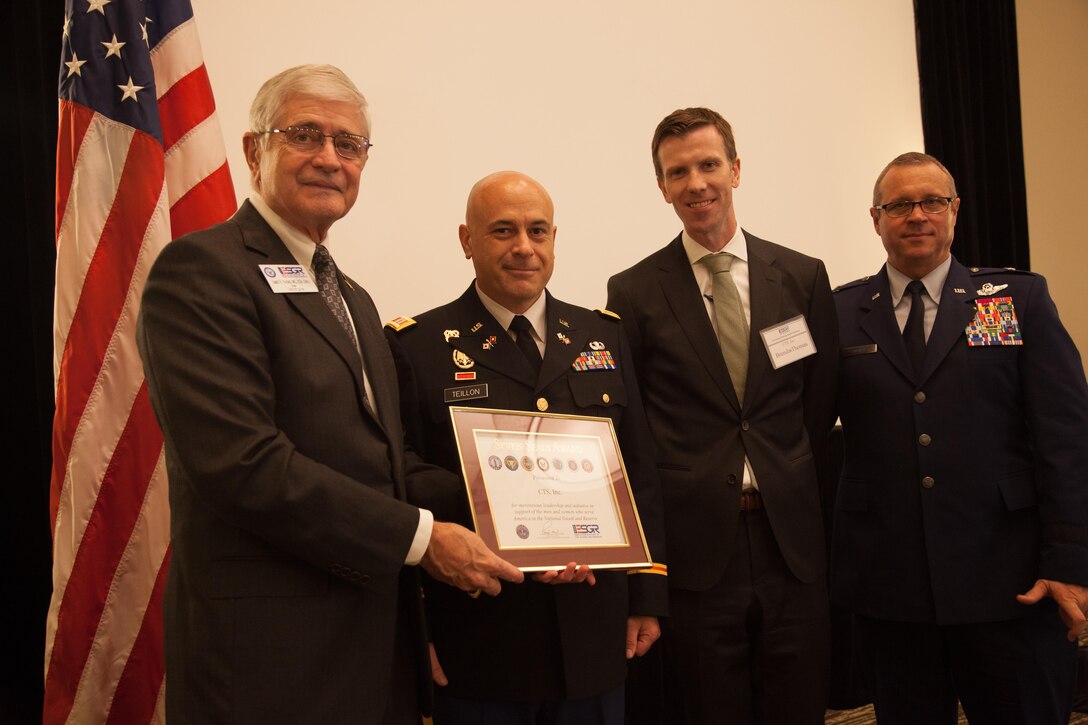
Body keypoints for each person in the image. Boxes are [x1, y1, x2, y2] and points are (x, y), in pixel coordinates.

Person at [136, 64, 522, 725]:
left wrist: (520, 513)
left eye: (349, 144)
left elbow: (386, 465)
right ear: (255, 150)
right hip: (271, 667)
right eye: (304, 135)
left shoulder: (354, 299)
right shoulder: (203, 270)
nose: (329, 158)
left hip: (374, 650)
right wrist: (425, 538)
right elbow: (244, 465)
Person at [386, 171, 668, 724]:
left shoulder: (601, 336)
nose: (523, 247)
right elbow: (399, 479)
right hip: (481, 637)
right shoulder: (415, 347)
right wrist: (412, 627)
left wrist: (647, 594)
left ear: (554, 239)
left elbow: (639, 468)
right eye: (503, 231)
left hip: (593, 630)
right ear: (467, 241)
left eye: (538, 231)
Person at [832, 151, 1088, 724]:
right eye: (900, 204)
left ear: (955, 211)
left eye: (932, 202)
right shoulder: (840, 313)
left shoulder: (1017, 300)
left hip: (1011, 586)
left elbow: (1067, 439)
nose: (916, 215)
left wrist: (1070, 562)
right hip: (891, 592)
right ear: (876, 218)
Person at [605, 108, 838, 724]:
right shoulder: (632, 293)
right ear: (661, 188)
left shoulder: (801, 275)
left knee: (798, 706)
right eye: (677, 172)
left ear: (735, 169)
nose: (696, 183)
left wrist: (778, 466)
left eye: (709, 165)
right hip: (697, 552)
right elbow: (638, 421)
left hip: (790, 544)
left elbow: (815, 401)